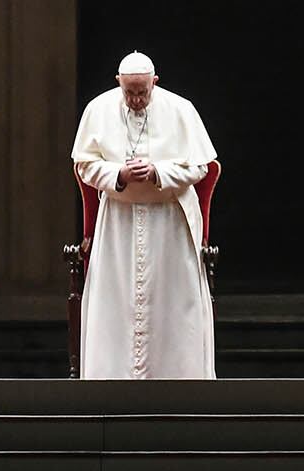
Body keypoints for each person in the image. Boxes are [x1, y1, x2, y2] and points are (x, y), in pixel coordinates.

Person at [71, 52, 219, 379]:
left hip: (171, 222)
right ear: (118, 84)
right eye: (129, 92)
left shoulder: (181, 110)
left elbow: (199, 167)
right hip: (118, 225)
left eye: (142, 92)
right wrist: (119, 174)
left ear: (154, 82)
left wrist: (158, 172)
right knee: (116, 310)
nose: (136, 99)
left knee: (174, 311)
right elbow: (85, 166)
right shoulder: (98, 110)